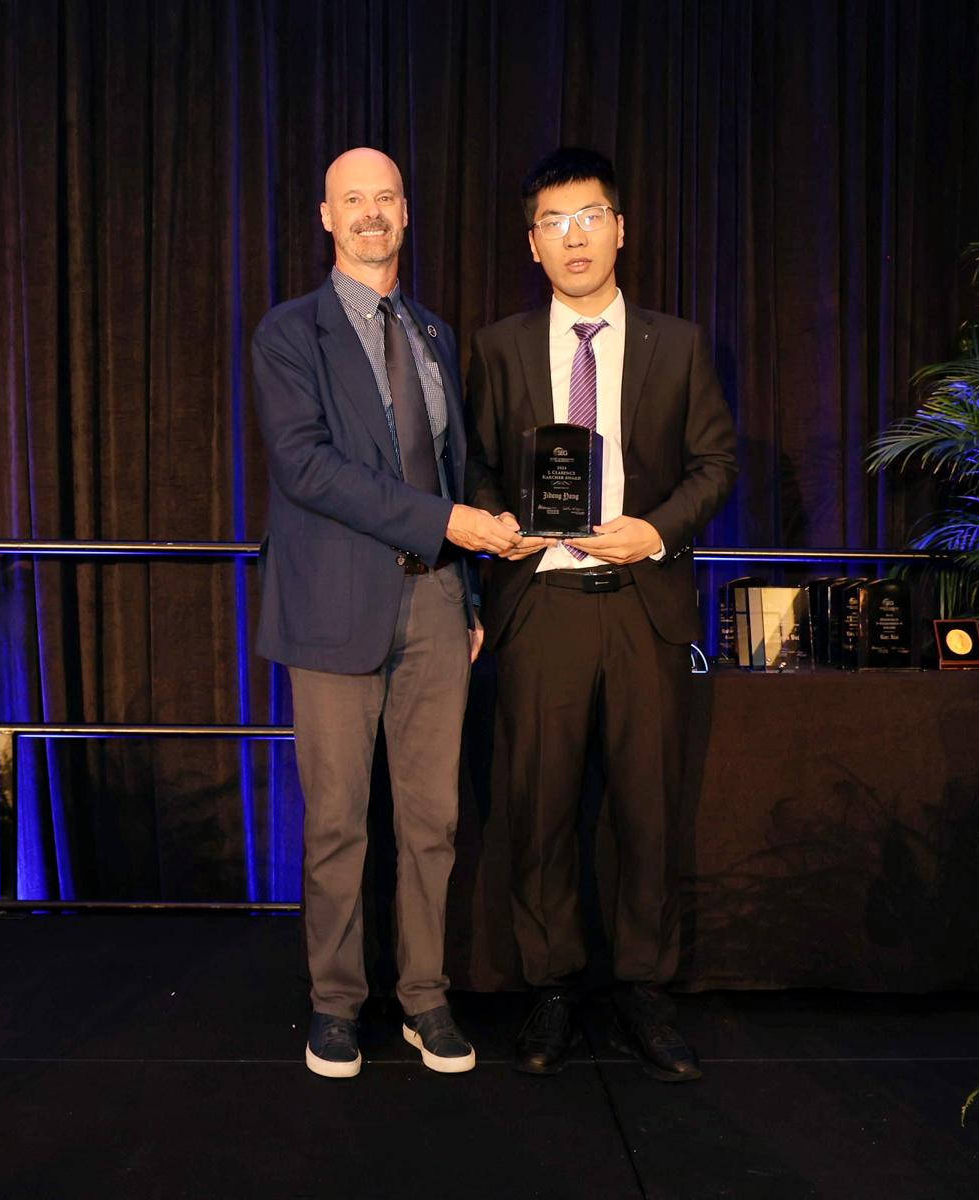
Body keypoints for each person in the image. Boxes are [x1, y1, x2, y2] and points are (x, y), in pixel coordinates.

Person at [465, 146, 738, 1083]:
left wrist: (655, 532)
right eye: (553, 222)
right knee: (537, 807)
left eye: (589, 217)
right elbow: (476, 466)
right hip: (541, 603)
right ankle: (549, 986)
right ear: (531, 243)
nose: (573, 237)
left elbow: (715, 465)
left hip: (641, 607)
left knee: (648, 811)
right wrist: (500, 526)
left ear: (620, 229)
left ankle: (644, 989)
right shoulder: (499, 346)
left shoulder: (679, 344)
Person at [252, 147, 520, 1079]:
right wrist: (447, 523)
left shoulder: (434, 334)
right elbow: (308, 467)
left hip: (438, 603)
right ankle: (335, 1003)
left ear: (407, 213)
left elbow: (451, 468)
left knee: (433, 820)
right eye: (352, 200)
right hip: (334, 608)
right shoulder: (289, 333)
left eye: (386, 198)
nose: (371, 213)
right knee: (336, 821)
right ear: (327, 217)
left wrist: (469, 590)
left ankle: (424, 997)